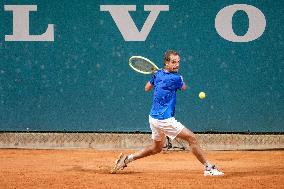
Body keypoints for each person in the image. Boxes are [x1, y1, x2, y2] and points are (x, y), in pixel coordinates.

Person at [111, 50, 224, 176]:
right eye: (173, 62)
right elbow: (183, 87)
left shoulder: (157, 75)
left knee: (156, 148)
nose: (177, 65)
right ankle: (208, 167)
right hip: (164, 120)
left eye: (178, 62)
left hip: (153, 118)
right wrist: (174, 78)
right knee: (191, 138)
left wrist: (157, 76)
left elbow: (147, 88)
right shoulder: (176, 78)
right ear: (166, 63)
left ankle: (127, 159)